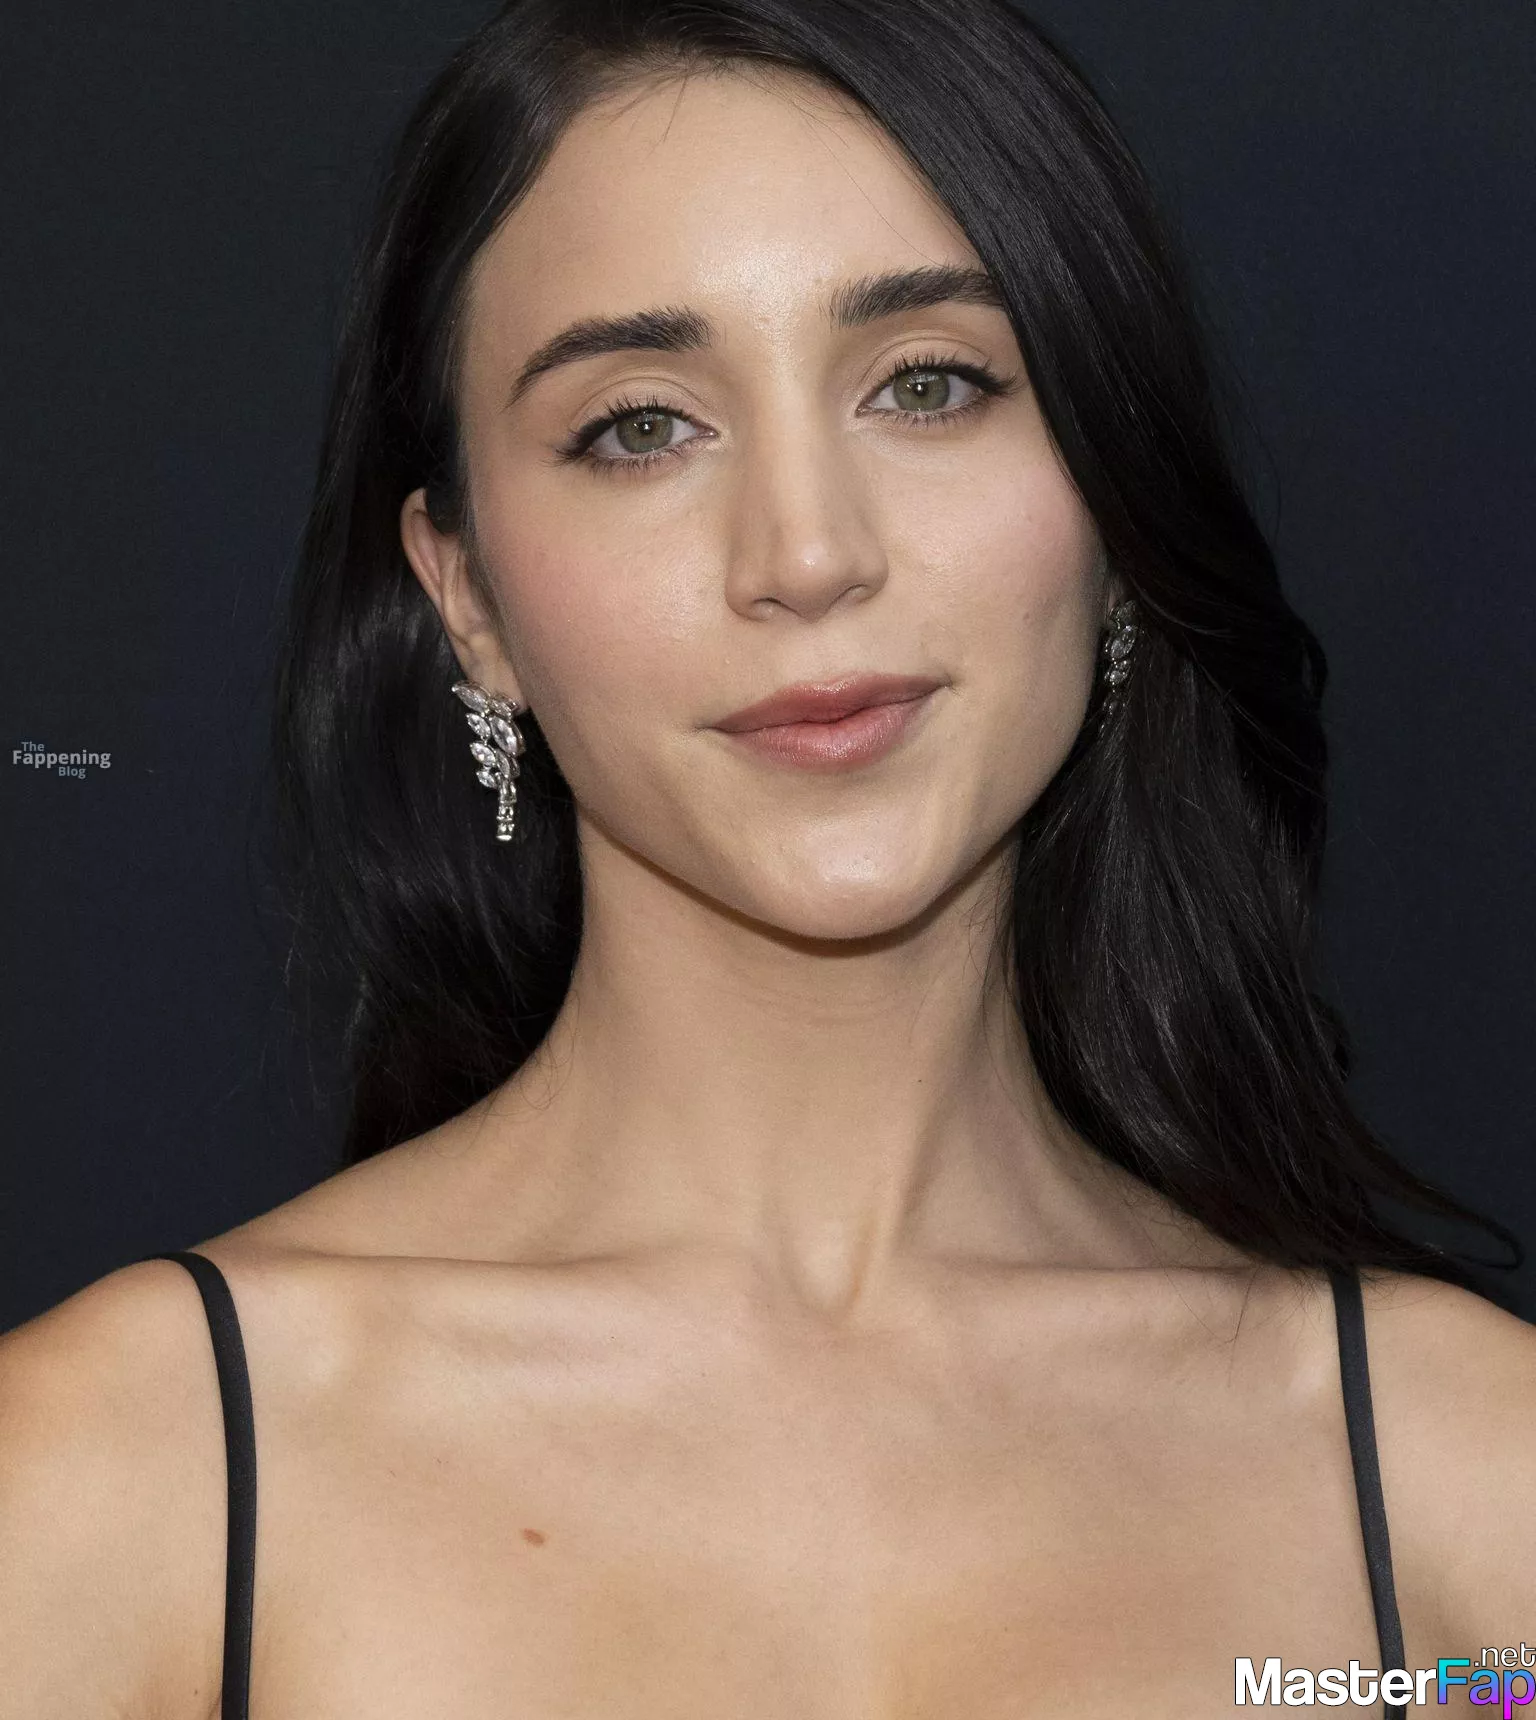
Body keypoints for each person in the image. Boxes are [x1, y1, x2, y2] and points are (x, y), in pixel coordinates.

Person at [2, 1, 1532, 1714]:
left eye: (930, 384)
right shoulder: (114, 1484)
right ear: (468, 596)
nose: (806, 554)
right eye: (641, 425)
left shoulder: (1473, 1510)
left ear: (1112, 506)